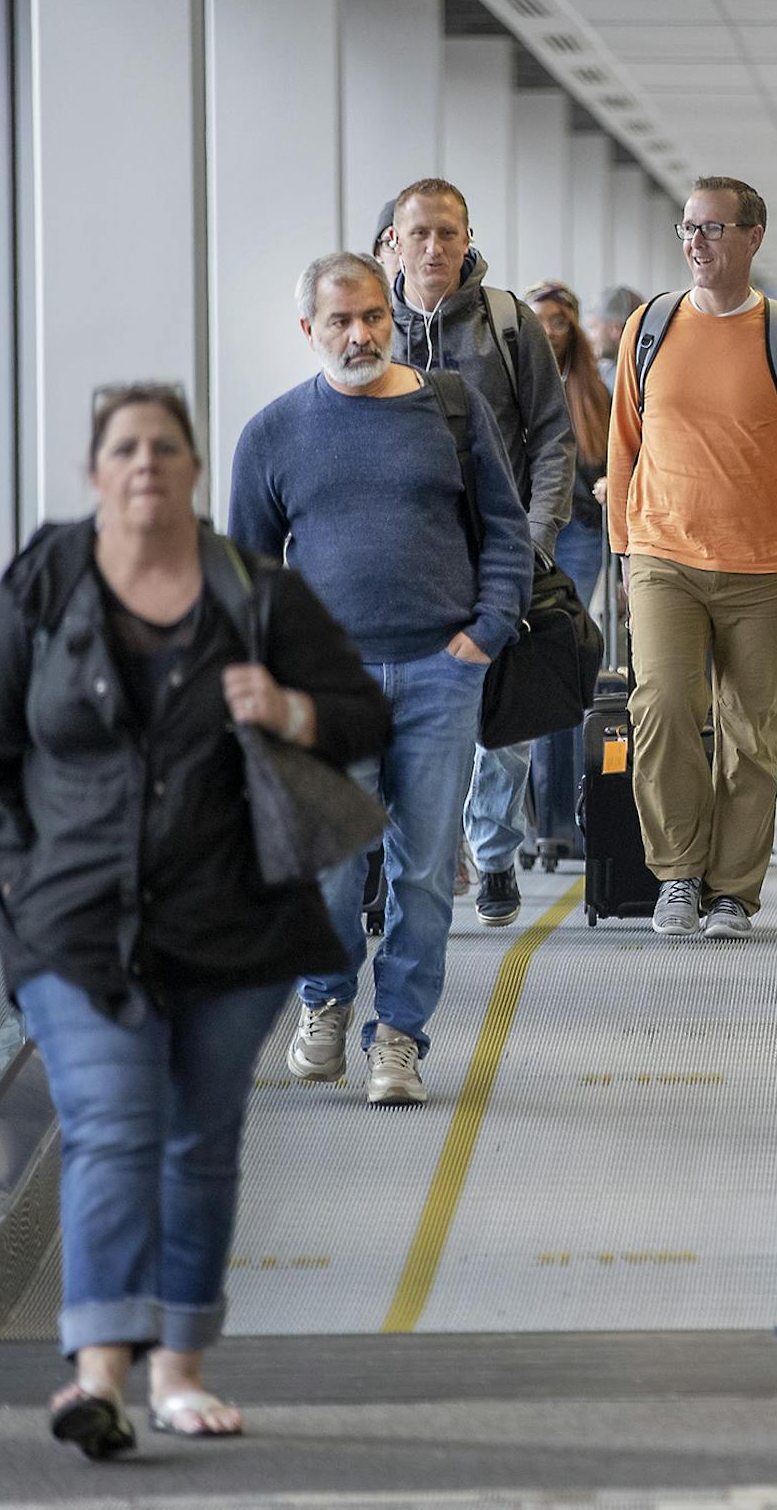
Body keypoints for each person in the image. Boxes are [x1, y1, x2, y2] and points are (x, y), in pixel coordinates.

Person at [0, 385, 390, 1455]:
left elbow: (365, 716)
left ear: (195, 470)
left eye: (165, 447)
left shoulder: (257, 591)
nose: (145, 462)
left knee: (199, 1142)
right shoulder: (44, 584)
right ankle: (98, 1376)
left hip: (234, 926)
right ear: (95, 472)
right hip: (75, 927)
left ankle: (180, 1371)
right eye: (125, 448)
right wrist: (21, 884)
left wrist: (288, 708)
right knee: (112, 1124)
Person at [231, 251, 531, 1107]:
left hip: (442, 672)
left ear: (389, 317)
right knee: (332, 863)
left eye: (371, 316)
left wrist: (486, 631)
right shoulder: (274, 433)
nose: (360, 334)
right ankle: (326, 999)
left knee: (425, 871)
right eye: (340, 321)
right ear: (309, 330)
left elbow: (505, 531)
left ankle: (399, 1036)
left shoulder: (451, 409)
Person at [605, 175, 777, 938]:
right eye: (688, 228)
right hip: (662, 554)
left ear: (752, 237)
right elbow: (623, 445)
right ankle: (678, 874)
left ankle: (733, 890)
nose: (696, 243)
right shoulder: (650, 326)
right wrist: (622, 552)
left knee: (750, 732)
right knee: (663, 706)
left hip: (763, 568)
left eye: (711, 228)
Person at [387, 177, 577, 928]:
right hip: (407, 561)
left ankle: (495, 853)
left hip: (500, 551)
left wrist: (537, 536)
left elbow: (553, 434)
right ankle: (429, 856)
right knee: (413, 715)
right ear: (394, 241)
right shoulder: (374, 327)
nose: (435, 247)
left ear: (468, 239)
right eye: (420, 233)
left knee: (505, 713)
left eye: (448, 233)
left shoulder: (508, 322)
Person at [523, 279, 615, 864]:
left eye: (560, 321)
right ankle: (544, 822)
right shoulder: (514, 380)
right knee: (534, 673)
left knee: (561, 661)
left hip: (577, 533)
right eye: (540, 320)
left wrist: (608, 484)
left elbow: (612, 460)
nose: (549, 331)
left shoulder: (594, 391)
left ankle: (566, 822)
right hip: (523, 533)